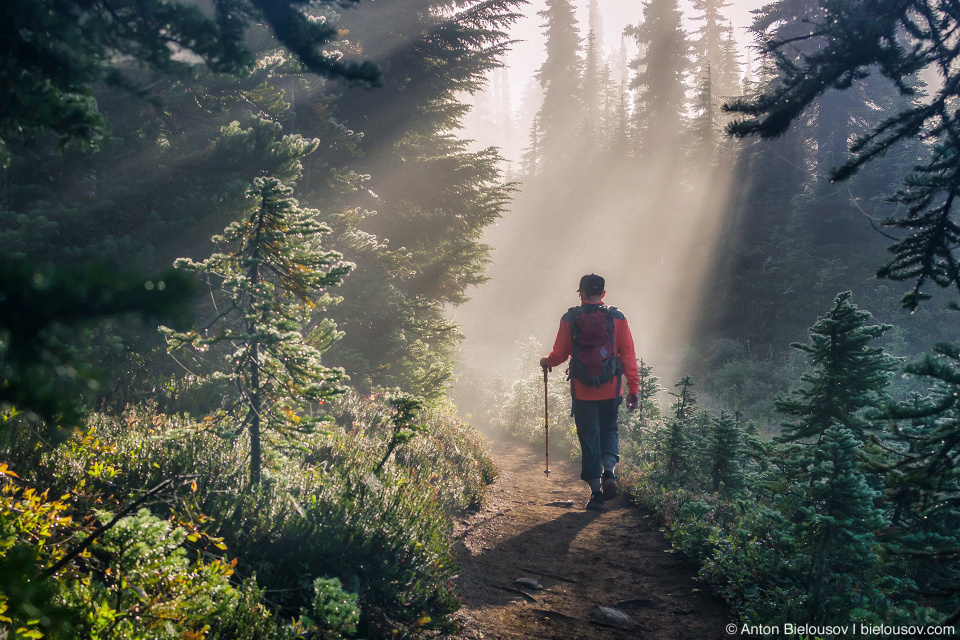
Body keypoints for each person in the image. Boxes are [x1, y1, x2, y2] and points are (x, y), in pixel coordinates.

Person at [540, 274, 640, 510]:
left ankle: (596, 493)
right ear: (603, 294)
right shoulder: (617, 317)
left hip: (583, 391)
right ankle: (609, 473)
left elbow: (560, 355)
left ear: (581, 294)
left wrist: (546, 361)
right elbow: (627, 355)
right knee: (609, 430)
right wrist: (633, 388)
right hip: (611, 388)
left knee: (589, 438)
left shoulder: (570, 318)